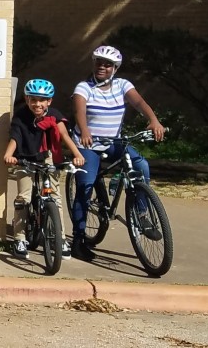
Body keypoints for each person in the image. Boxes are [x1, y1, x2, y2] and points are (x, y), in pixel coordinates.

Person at [68, 45, 166, 261]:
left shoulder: (122, 85)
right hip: (89, 144)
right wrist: (84, 130)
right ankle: (78, 240)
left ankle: (142, 214)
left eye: (107, 64)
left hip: (114, 142)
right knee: (85, 185)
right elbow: (79, 110)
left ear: (115, 68)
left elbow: (138, 102)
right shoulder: (84, 87)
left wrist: (153, 119)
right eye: (98, 62)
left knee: (141, 165)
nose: (102, 67)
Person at [2, 79, 85, 259]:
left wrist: (77, 154)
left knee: (55, 197)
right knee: (23, 197)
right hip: (25, 157)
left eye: (42, 100)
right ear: (26, 99)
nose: (37, 104)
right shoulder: (21, 116)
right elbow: (15, 137)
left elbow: (64, 135)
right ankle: (19, 238)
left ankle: (60, 238)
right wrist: (9, 155)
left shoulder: (54, 115)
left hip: (48, 157)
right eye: (33, 99)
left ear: (49, 101)